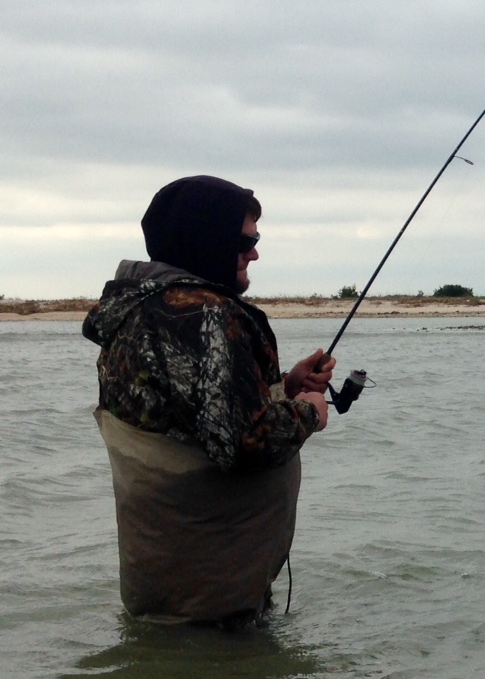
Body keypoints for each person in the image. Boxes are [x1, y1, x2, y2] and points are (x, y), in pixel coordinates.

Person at [83, 175, 335, 627]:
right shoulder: (211, 314)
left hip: (156, 579)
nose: (254, 252)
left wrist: (281, 386)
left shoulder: (132, 308)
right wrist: (309, 412)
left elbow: (183, 410)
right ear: (207, 238)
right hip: (218, 591)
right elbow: (241, 444)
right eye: (244, 241)